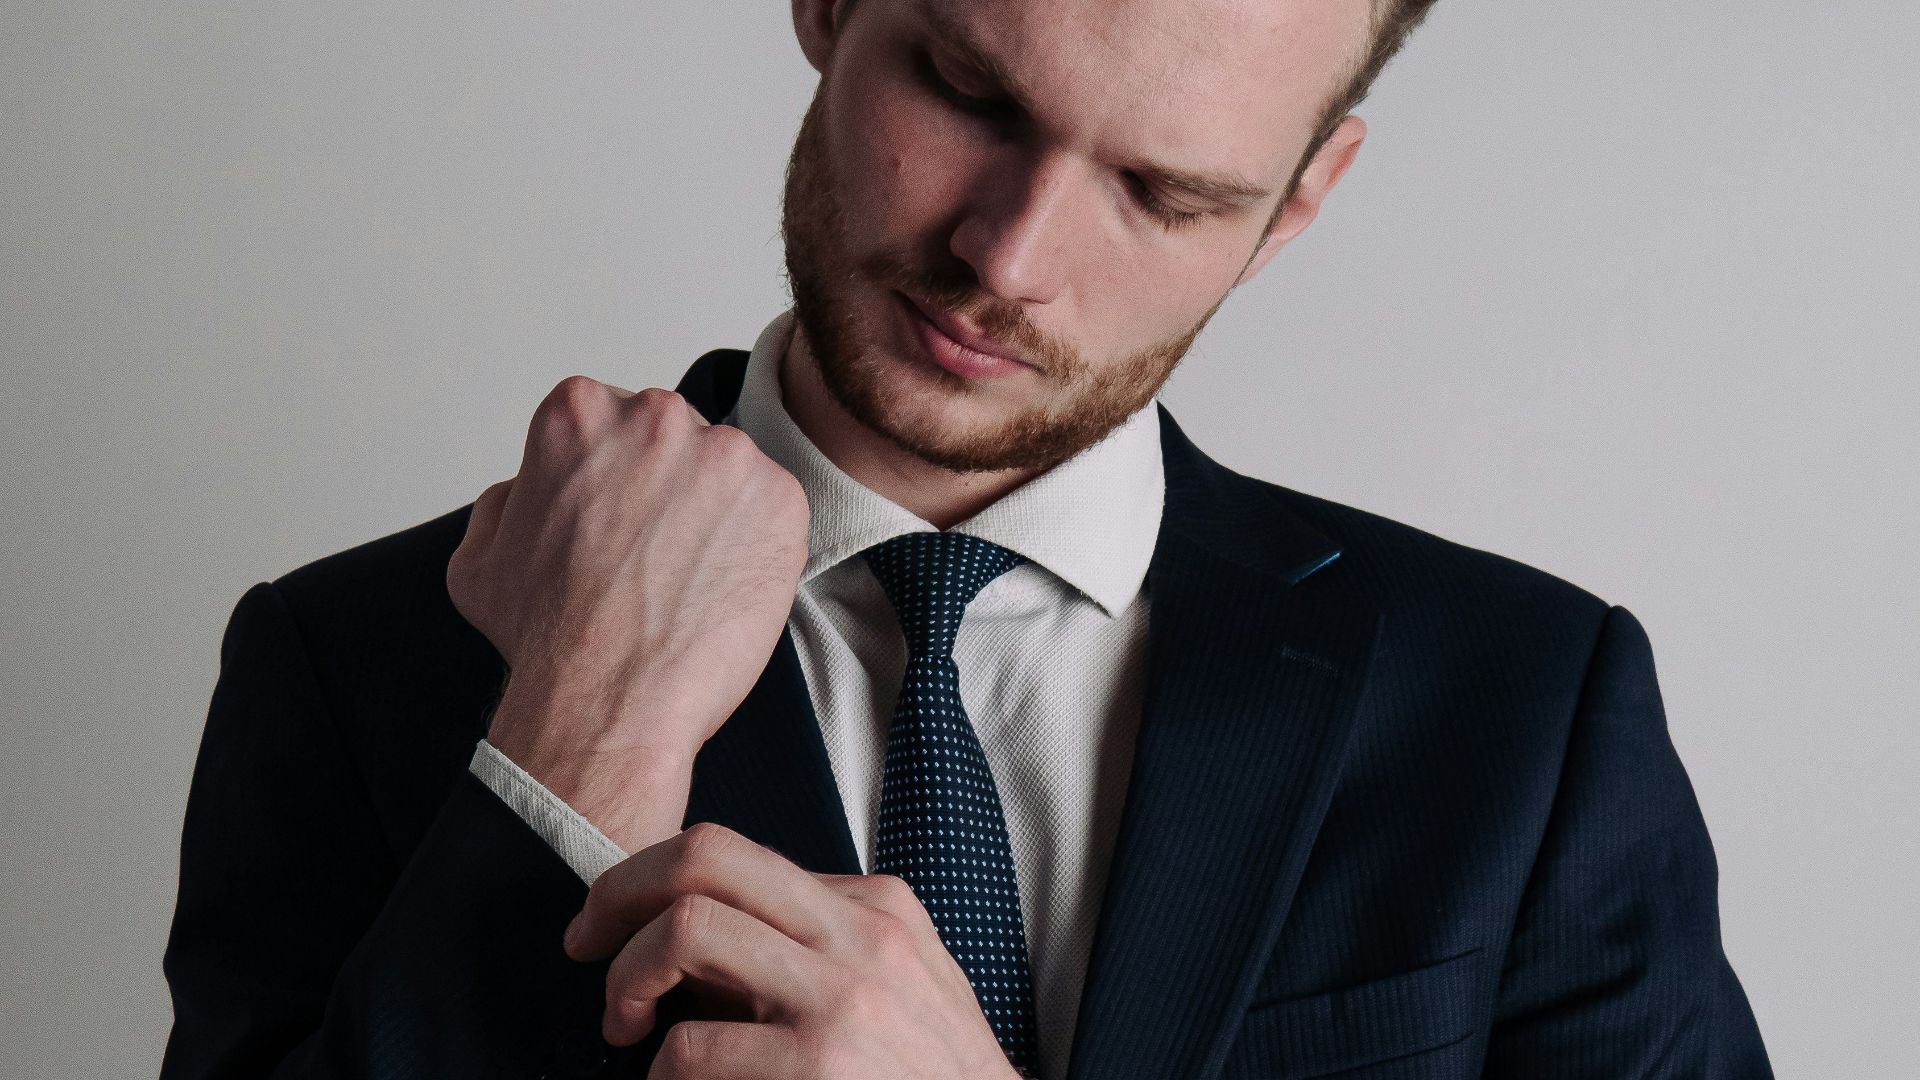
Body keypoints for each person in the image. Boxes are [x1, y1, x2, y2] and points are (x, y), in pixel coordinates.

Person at [159, 0, 1774, 1076]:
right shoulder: (354, 658)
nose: (1008, 257)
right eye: (968, 90)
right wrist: (584, 732)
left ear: (1297, 199)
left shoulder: (1526, 706)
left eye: (1163, 191)